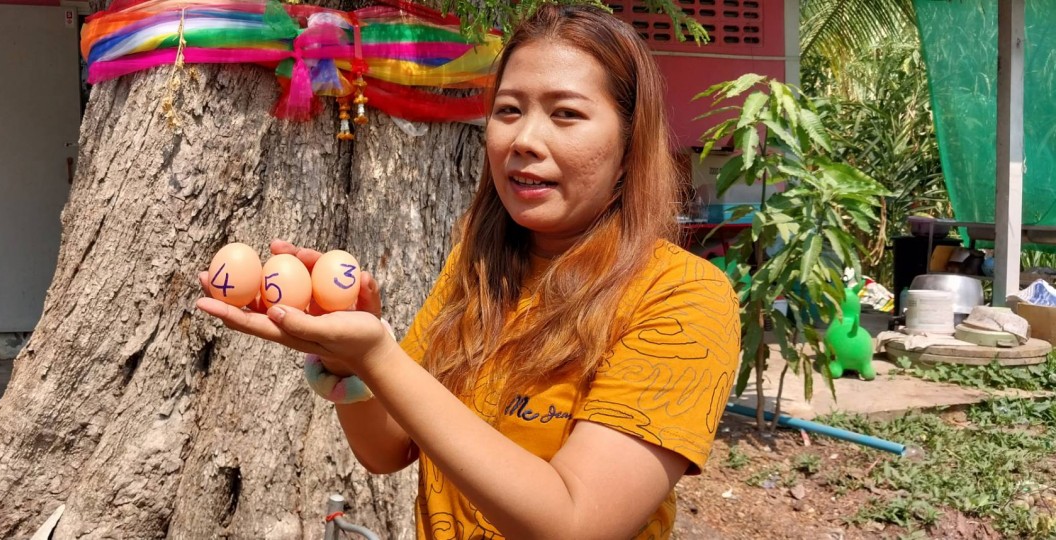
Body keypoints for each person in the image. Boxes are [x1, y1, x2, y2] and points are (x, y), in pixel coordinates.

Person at [197, 4, 740, 539]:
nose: (523, 139)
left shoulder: (683, 298)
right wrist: (346, 360)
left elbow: (576, 522)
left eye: (566, 113)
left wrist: (378, 355)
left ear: (628, 146)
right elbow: (385, 450)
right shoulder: (477, 266)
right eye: (508, 111)